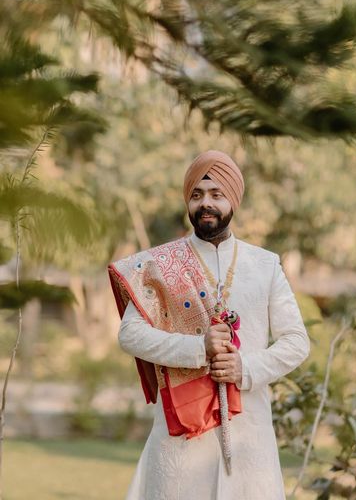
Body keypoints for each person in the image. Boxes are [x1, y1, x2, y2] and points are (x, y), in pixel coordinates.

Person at [108, 149, 310, 500]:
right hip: (182, 437)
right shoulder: (158, 265)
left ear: (233, 200)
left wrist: (243, 367)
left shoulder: (264, 265)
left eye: (217, 194)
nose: (206, 204)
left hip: (249, 433)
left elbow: (296, 341)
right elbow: (131, 334)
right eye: (197, 195)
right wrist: (197, 348)